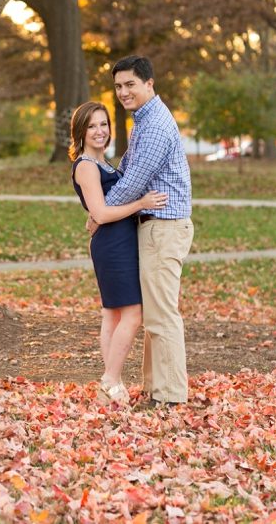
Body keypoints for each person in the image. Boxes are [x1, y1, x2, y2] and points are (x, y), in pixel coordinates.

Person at [90, 55, 194, 408]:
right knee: (154, 314)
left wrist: (98, 214)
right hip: (153, 228)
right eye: (118, 86)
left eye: (130, 84)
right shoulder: (144, 123)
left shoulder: (155, 127)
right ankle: (155, 390)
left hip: (164, 228)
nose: (123, 92)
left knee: (162, 315)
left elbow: (132, 182)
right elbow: (126, 171)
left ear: (150, 84)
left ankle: (170, 396)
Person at [70, 101, 168, 407]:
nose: (99, 131)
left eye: (104, 124)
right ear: (80, 132)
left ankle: (112, 383)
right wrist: (141, 204)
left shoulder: (106, 163)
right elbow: (100, 211)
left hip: (118, 241)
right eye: (92, 126)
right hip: (112, 246)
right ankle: (110, 381)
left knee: (112, 314)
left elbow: (100, 209)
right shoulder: (86, 165)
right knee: (134, 314)